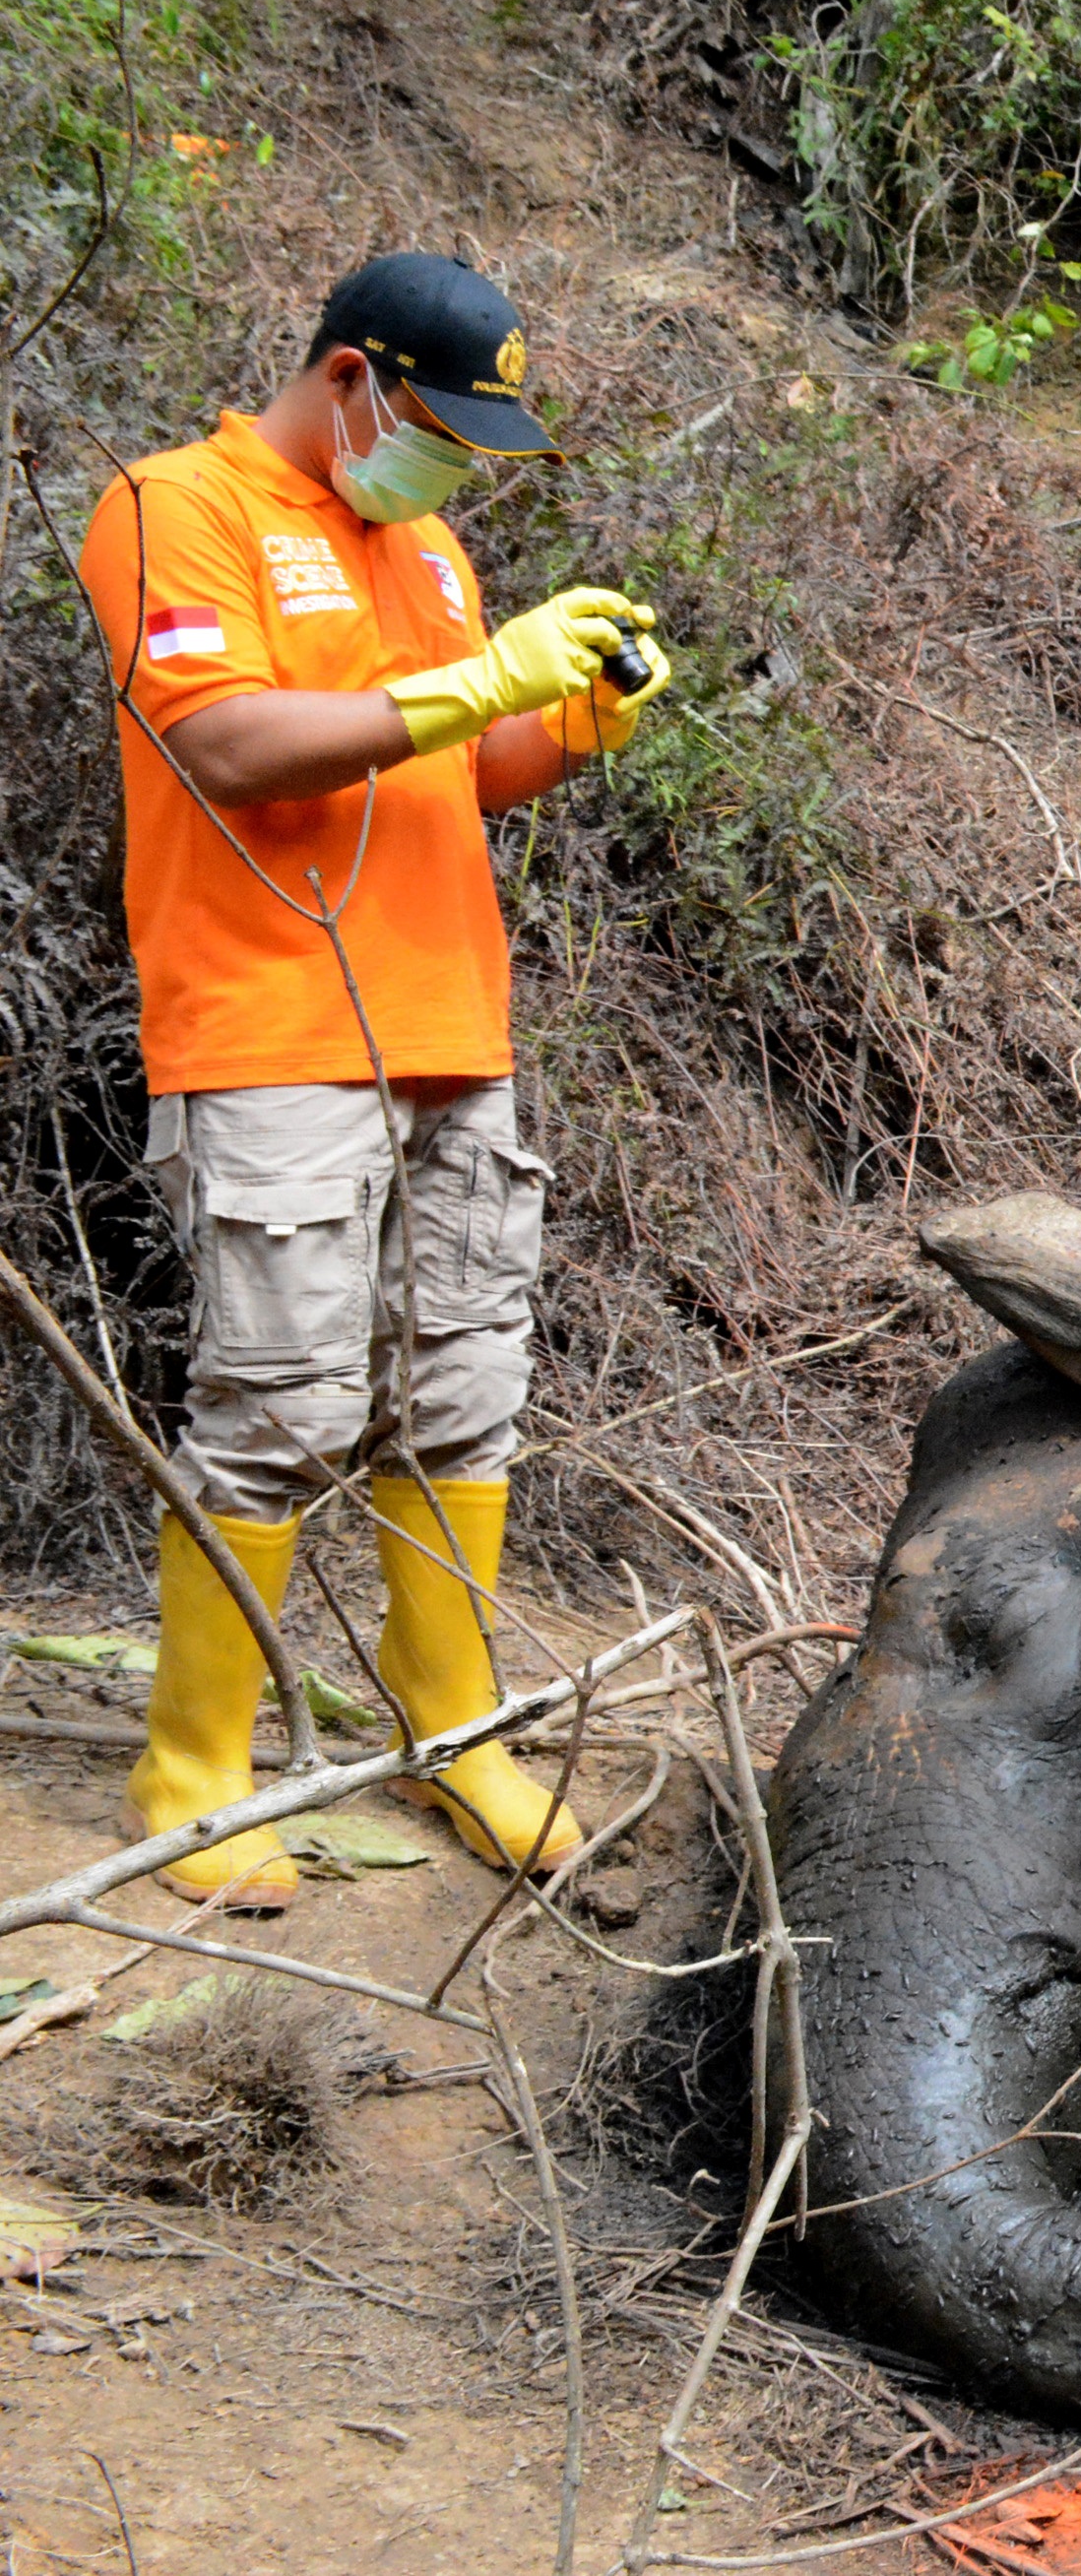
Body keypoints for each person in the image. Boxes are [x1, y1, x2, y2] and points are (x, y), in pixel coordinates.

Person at [76, 252, 675, 1911]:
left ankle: (455, 1732)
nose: (451, 462)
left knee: (463, 1394)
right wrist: (476, 681)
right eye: (436, 421)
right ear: (351, 376)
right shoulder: (172, 505)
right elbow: (230, 746)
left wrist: (570, 718)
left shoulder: (426, 545)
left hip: (450, 1033)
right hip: (270, 1027)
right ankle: (191, 1774)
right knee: (275, 1411)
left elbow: (462, 771)